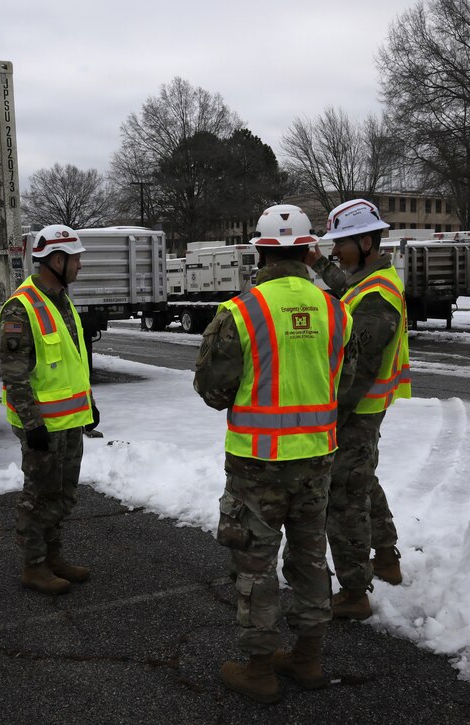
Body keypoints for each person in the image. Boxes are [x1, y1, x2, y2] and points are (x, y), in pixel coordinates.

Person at [195, 204, 358, 703]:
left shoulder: (241, 312)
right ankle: (307, 660)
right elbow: (345, 384)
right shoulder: (336, 309)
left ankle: (261, 669)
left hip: (257, 466)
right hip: (317, 462)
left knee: (256, 565)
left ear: (259, 251)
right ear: (309, 249)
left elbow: (213, 390)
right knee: (310, 558)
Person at [307, 198, 412, 620]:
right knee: (362, 479)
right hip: (365, 411)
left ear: (367, 242)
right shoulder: (369, 282)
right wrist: (318, 263)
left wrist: (330, 419)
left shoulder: (376, 297)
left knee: (345, 497)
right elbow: (345, 286)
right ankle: (386, 557)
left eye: (341, 245)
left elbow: (359, 374)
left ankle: (354, 593)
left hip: (357, 410)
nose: (336, 252)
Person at [0, 224, 99, 596]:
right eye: (76, 260)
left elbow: (70, 361)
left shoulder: (61, 299)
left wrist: (90, 404)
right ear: (56, 261)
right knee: (38, 495)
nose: (79, 267)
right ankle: (34, 565)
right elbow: (14, 373)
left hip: (70, 419)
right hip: (42, 424)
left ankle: (53, 556)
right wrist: (31, 422)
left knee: (62, 494)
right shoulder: (21, 307)